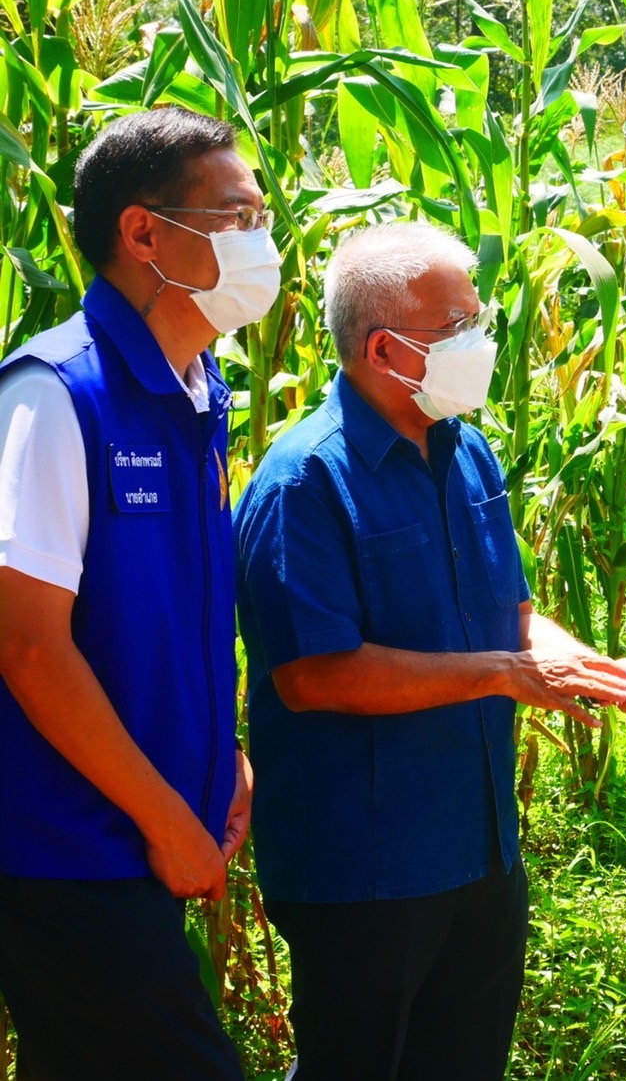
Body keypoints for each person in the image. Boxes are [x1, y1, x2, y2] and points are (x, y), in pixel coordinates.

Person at [233, 221, 626, 1080]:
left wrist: (582, 663)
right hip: (363, 866)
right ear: (383, 349)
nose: (482, 341)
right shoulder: (305, 482)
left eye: (480, 318)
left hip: (478, 850)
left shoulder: (466, 450)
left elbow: (506, 612)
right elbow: (316, 676)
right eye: (458, 327)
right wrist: (512, 676)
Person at [0, 107, 279, 1079]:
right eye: (238, 215)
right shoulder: (55, 397)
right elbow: (29, 648)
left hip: (136, 838)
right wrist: (166, 817)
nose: (262, 240)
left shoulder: (197, 394)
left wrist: (223, 755)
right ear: (145, 232)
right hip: (66, 848)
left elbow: (175, 619)